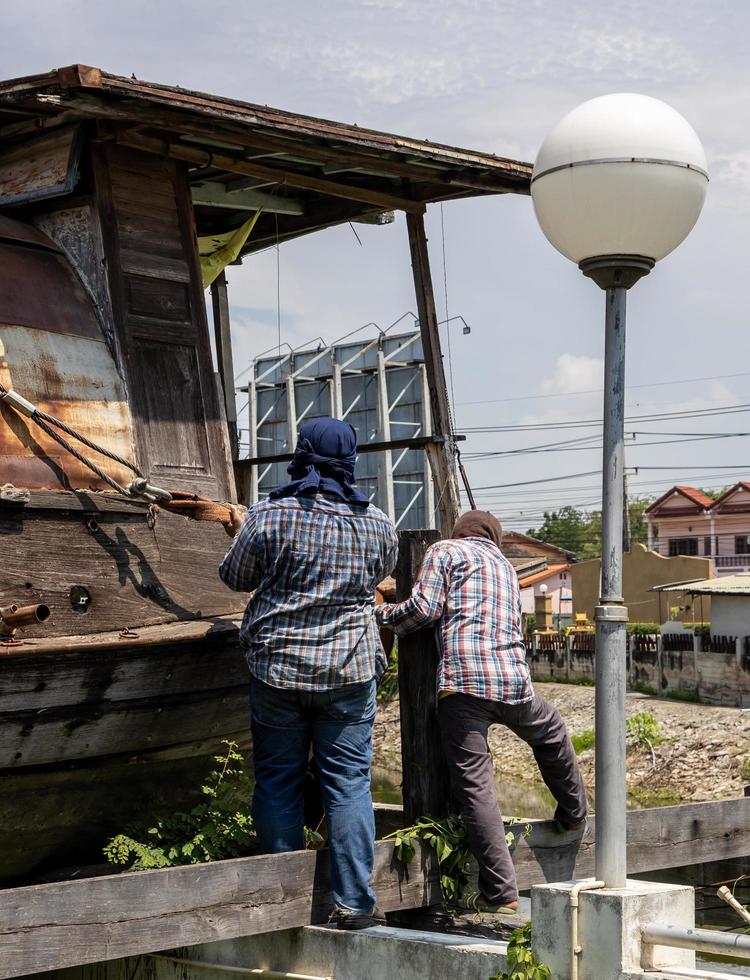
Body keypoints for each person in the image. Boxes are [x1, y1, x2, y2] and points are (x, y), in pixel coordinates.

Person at [220, 417, 398, 930]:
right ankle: (354, 905)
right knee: (348, 785)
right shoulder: (378, 525)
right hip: (349, 672)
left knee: (278, 780)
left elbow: (234, 577)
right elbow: (379, 574)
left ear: (301, 453)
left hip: (278, 669)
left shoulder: (269, 516)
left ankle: (280, 907)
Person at [376, 509, 586, 913]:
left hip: (463, 685)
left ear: (459, 531)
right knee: (551, 732)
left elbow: (423, 610)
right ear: (494, 536)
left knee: (476, 787)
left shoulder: (445, 551)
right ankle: (574, 812)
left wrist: (380, 613)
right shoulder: (506, 566)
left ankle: (503, 893)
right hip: (513, 681)